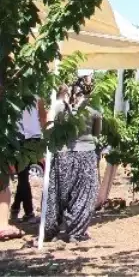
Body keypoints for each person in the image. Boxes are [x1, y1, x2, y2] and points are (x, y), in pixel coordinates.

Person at [43, 76, 102, 243]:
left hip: (64, 154)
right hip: (86, 154)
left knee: (58, 193)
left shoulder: (62, 108)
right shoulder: (94, 110)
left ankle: (50, 229)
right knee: (83, 195)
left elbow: (53, 127)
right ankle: (75, 232)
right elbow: (96, 133)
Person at [10, 100, 44, 223]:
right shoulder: (35, 94)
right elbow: (42, 116)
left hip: (22, 138)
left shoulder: (14, 93)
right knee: (23, 177)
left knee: (22, 177)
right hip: (32, 138)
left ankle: (24, 210)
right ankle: (20, 209)